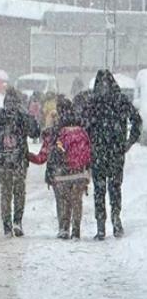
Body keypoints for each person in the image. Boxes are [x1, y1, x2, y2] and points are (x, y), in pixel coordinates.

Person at [82, 69, 143, 239]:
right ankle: (114, 221)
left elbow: (84, 126)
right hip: (114, 152)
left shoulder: (93, 102)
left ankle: (102, 226)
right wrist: (128, 143)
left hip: (100, 152)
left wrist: (89, 144)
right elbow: (136, 121)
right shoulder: (120, 100)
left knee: (101, 190)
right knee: (114, 189)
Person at [28, 97, 92, 239]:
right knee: (77, 201)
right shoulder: (81, 128)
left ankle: (63, 228)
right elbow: (89, 151)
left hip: (60, 173)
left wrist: (27, 156)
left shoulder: (53, 131)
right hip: (79, 172)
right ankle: (76, 229)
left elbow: (42, 157)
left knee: (62, 200)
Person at [0, 87, 40, 237]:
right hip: (19, 160)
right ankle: (17, 221)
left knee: (5, 193)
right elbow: (35, 132)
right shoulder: (22, 117)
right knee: (19, 192)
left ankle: (7, 226)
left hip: (2, 160)